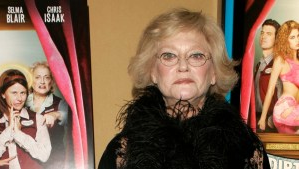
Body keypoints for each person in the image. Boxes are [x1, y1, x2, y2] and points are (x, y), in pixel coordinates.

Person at [98, 8, 270, 169]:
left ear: (214, 73)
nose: (182, 66)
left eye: (196, 56)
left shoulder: (247, 150)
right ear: (152, 72)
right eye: (169, 56)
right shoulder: (122, 152)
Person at [0, 69, 51, 169]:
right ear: (3, 94)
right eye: (14, 93)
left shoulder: (38, 119)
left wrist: (18, 133)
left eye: (23, 93)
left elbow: (44, 155)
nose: (19, 98)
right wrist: (9, 129)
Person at [25, 61, 70, 168]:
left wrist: (56, 114)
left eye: (46, 77)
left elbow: (71, 117)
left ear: (52, 81)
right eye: (37, 77)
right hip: (28, 161)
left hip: (54, 161)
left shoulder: (60, 103)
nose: (42, 81)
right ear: (31, 80)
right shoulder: (22, 101)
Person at [258, 20, 299, 134]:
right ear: (285, 40)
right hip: (284, 108)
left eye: (298, 36)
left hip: (295, 109)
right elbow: (270, 90)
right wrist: (262, 118)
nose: (297, 40)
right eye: (292, 37)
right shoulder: (281, 60)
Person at [255, 19, 281, 132]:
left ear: (277, 39)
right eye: (262, 32)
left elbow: (283, 94)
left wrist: (272, 119)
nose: (263, 36)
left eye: (269, 34)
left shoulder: (278, 64)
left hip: (270, 122)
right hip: (256, 118)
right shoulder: (258, 64)